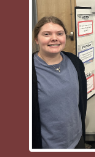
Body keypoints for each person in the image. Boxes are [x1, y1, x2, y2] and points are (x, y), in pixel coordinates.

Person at [31, 16, 87, 149]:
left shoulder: (75, 63)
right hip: (46, 147)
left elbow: (80, 101)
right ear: (36, 39)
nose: (54, 38)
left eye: (60, 33)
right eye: (47, 34)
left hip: (76, 141)